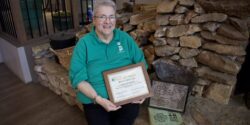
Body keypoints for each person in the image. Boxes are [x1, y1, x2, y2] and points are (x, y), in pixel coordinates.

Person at [69, 0, 148, 125]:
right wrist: (98, 99)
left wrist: (142, 89)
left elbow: (141, 63)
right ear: (94, 20)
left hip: (126, 96)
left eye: (111, 17)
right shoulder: (84, 44)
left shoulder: (125, 38)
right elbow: (78, 79)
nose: (107, 21)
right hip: (95, 100)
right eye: (102, 17)